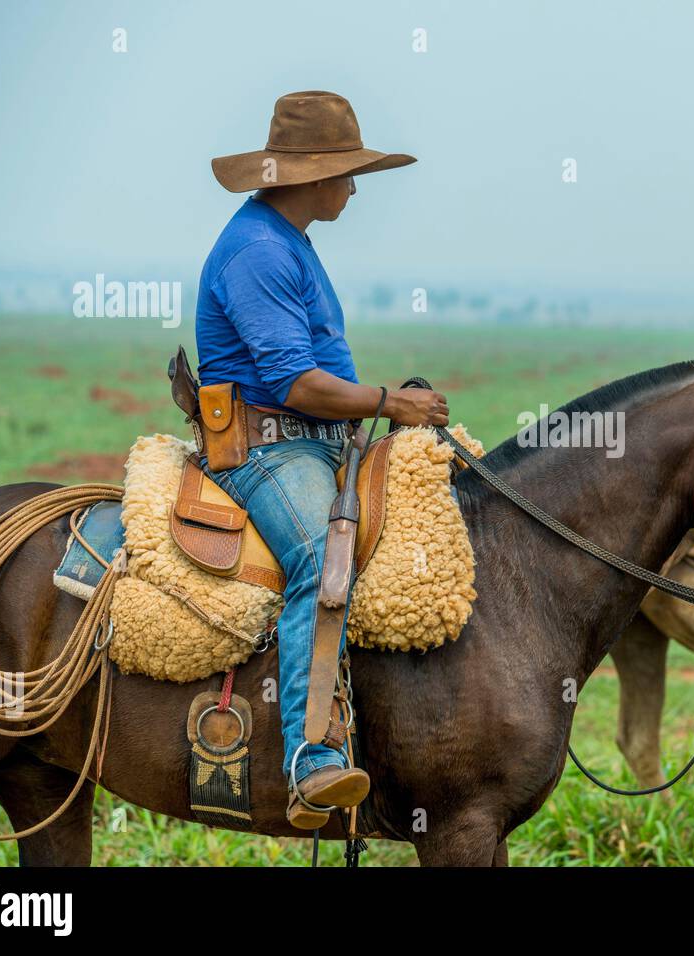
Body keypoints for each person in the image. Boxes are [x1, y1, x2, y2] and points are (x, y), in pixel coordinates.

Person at [196, 91, 448, 829]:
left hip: (313, 439)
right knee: (320, 555)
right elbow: (295, 383)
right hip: (269, 450)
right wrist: (387, 403)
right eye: (347, 172)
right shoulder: (259, 251)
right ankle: (312, 760)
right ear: (311, 175)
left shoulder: (288, 238)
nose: (354, 187)